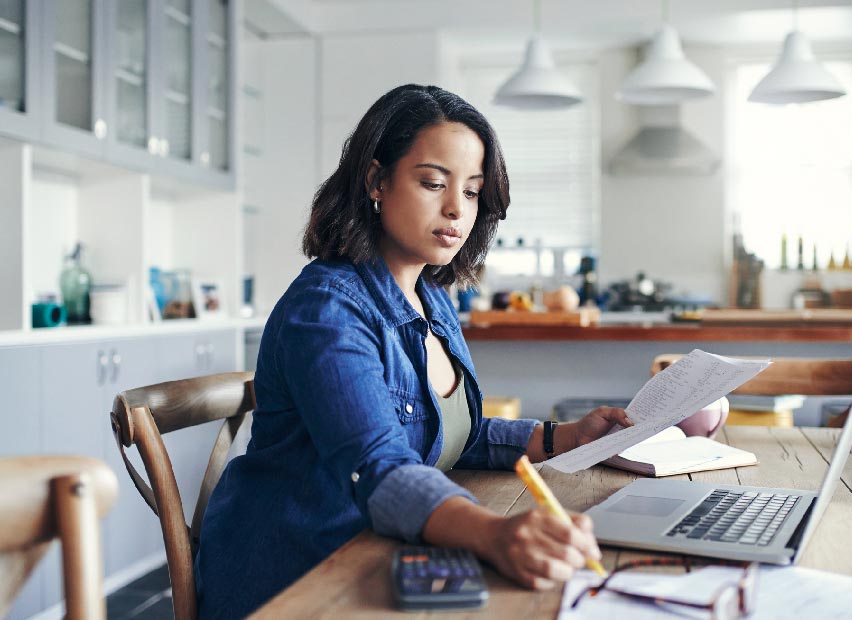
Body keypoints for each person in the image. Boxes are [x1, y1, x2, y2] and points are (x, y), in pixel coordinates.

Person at [194, 83, 632, 617]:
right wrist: (493, 533)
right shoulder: (327, 310)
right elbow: (381, 464)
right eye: (433, 183)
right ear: (377, 180)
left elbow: (443, 435)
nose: (455, 209)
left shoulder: (432, 298)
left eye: (471, 192)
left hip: (378, 553)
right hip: (300, 576)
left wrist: (561, 438)